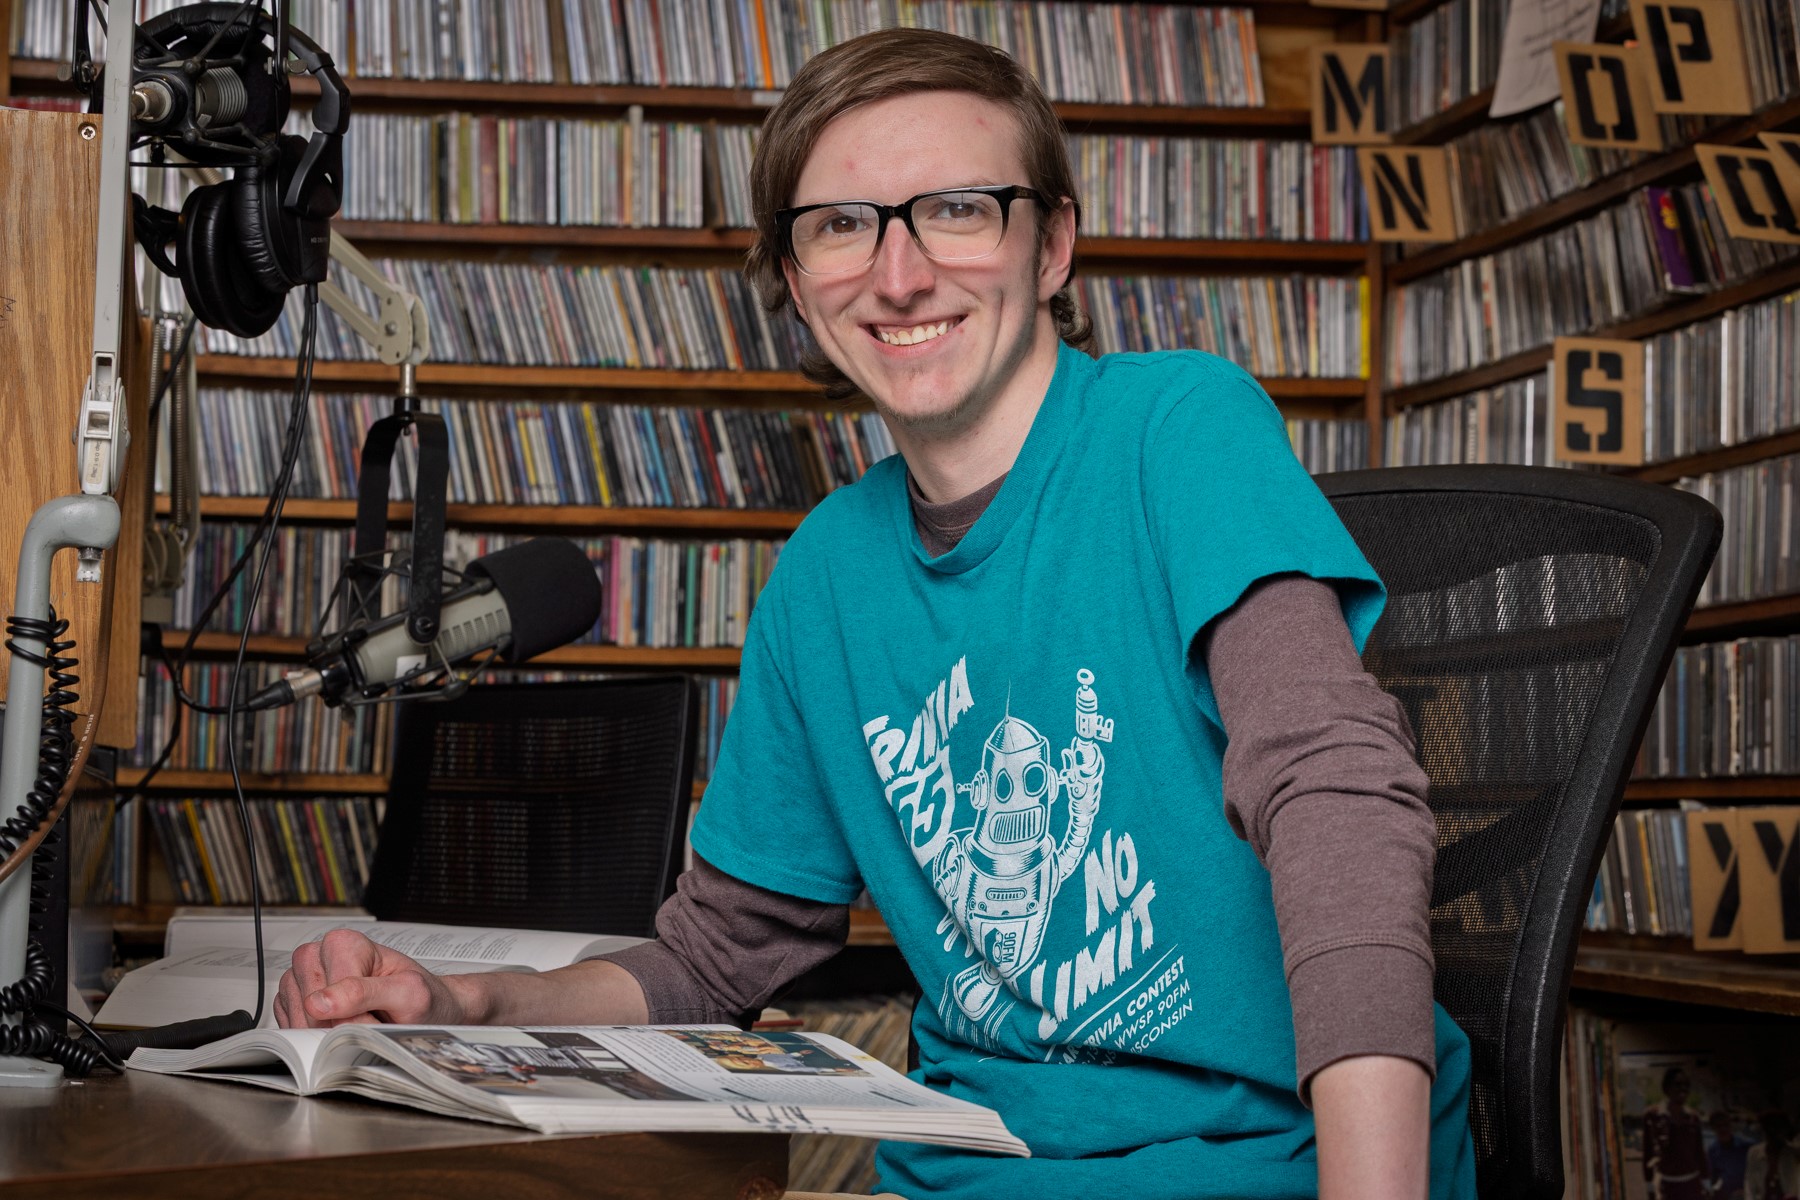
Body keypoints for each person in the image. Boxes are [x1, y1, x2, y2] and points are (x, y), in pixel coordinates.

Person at [276, 28, 1475, 1199]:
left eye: (957, 208)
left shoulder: (1179, 429)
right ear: (798, 288)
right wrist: (464, 1006)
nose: (899, 275)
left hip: (1257, 1167)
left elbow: (1334, 790)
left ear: (1052, 244)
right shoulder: (825, 574)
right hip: (963, 1170)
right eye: (845, 226)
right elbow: (715, 952)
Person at [1643, 1067, 1708, 1200]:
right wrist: (1650, 1187)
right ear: (1666, 1088)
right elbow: (1648, 1153)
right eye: (1677, 1084)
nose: (1682, 1089)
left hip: (1692, 1185)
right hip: (1667, 1186)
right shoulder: (1653, 1116)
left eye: (1686, 1085)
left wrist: (1706, 1184)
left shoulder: (1693, 1117)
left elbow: (1700, 1152)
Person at [1707, 1110, 1754, 1200]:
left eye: (1726, 1125)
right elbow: (1714, 1177)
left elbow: (1758, 1172)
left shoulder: (1747, 1146)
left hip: (1749, 1194)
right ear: (1713, 1128)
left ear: (1731, 1125)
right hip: (1727, 1196)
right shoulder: (1713, 1150)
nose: (1723, 1129)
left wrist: (1747, 1190)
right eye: (1718, 1126)